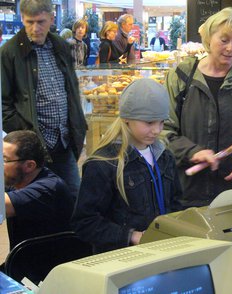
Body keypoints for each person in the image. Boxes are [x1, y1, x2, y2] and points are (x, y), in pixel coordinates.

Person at [163, 7, 232, 208]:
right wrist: (192, 152)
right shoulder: (180, 78)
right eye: (224, 40)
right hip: (186, 193)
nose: (231, 48)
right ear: (209, 38)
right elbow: (164, 131)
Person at [72, 78, 182, 254]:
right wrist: (131, 236)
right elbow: (85, 222)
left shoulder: (164, 156)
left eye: (161, 122)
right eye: (149, 122)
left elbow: (176, 202)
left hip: (161, 251)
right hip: (121, 258)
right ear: (126, 119)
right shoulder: (102, 163)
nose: (157, 130)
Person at [1, 0, 87, 201]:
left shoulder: (60, 46)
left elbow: (71, 91)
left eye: (41, 21)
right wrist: (26, 132)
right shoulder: (9, 52)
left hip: (64, 140)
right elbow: (3, 103)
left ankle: (70, 233)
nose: (35, 28)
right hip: (32, 147)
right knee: (36, 202)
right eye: (29, 22)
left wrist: (78, 126)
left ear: (51, 18)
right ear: (22, 18)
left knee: (73, 197)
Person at [3, 130, 74, 251]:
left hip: (49, 267)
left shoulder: (48, 189)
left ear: (30, 165)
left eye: (4, 160)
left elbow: (3, 205)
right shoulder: (17, 180)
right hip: (23, 263)